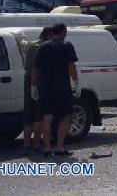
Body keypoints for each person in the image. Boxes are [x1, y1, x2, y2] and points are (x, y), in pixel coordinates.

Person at [32, 23, 79, 157]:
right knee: (65, 117)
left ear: (52, 32)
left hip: (46, 88)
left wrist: (33, 86)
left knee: (47, 118)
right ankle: (59, 147)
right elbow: (71, 66)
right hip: (62, 87)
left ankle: (47, 148)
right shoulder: (67, 46)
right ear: (63, 31)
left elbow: (36, 68)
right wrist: (76, 83)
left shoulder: (43, 47)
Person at [22, 27, 53, 153]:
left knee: (28, 115)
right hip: (38, 81)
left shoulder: (31, 44)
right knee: (39, 116)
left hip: (28, 80)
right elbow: (38, 67)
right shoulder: (42, 47)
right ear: (48, 35)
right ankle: (36, 144)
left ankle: (26, 144)